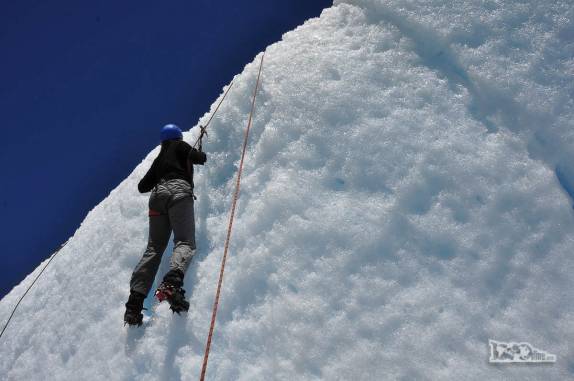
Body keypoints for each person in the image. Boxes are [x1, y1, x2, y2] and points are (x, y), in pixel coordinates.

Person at [124, 124, 207, 326]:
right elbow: (199, 159)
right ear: (178, 136)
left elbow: (142, 186)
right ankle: (172, 281)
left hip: (156, 198)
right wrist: (198, 152)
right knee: (184, 240)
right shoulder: (180, 146)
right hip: (179, 192)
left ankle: (135, 302)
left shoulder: (159, 158)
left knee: (154, 248)